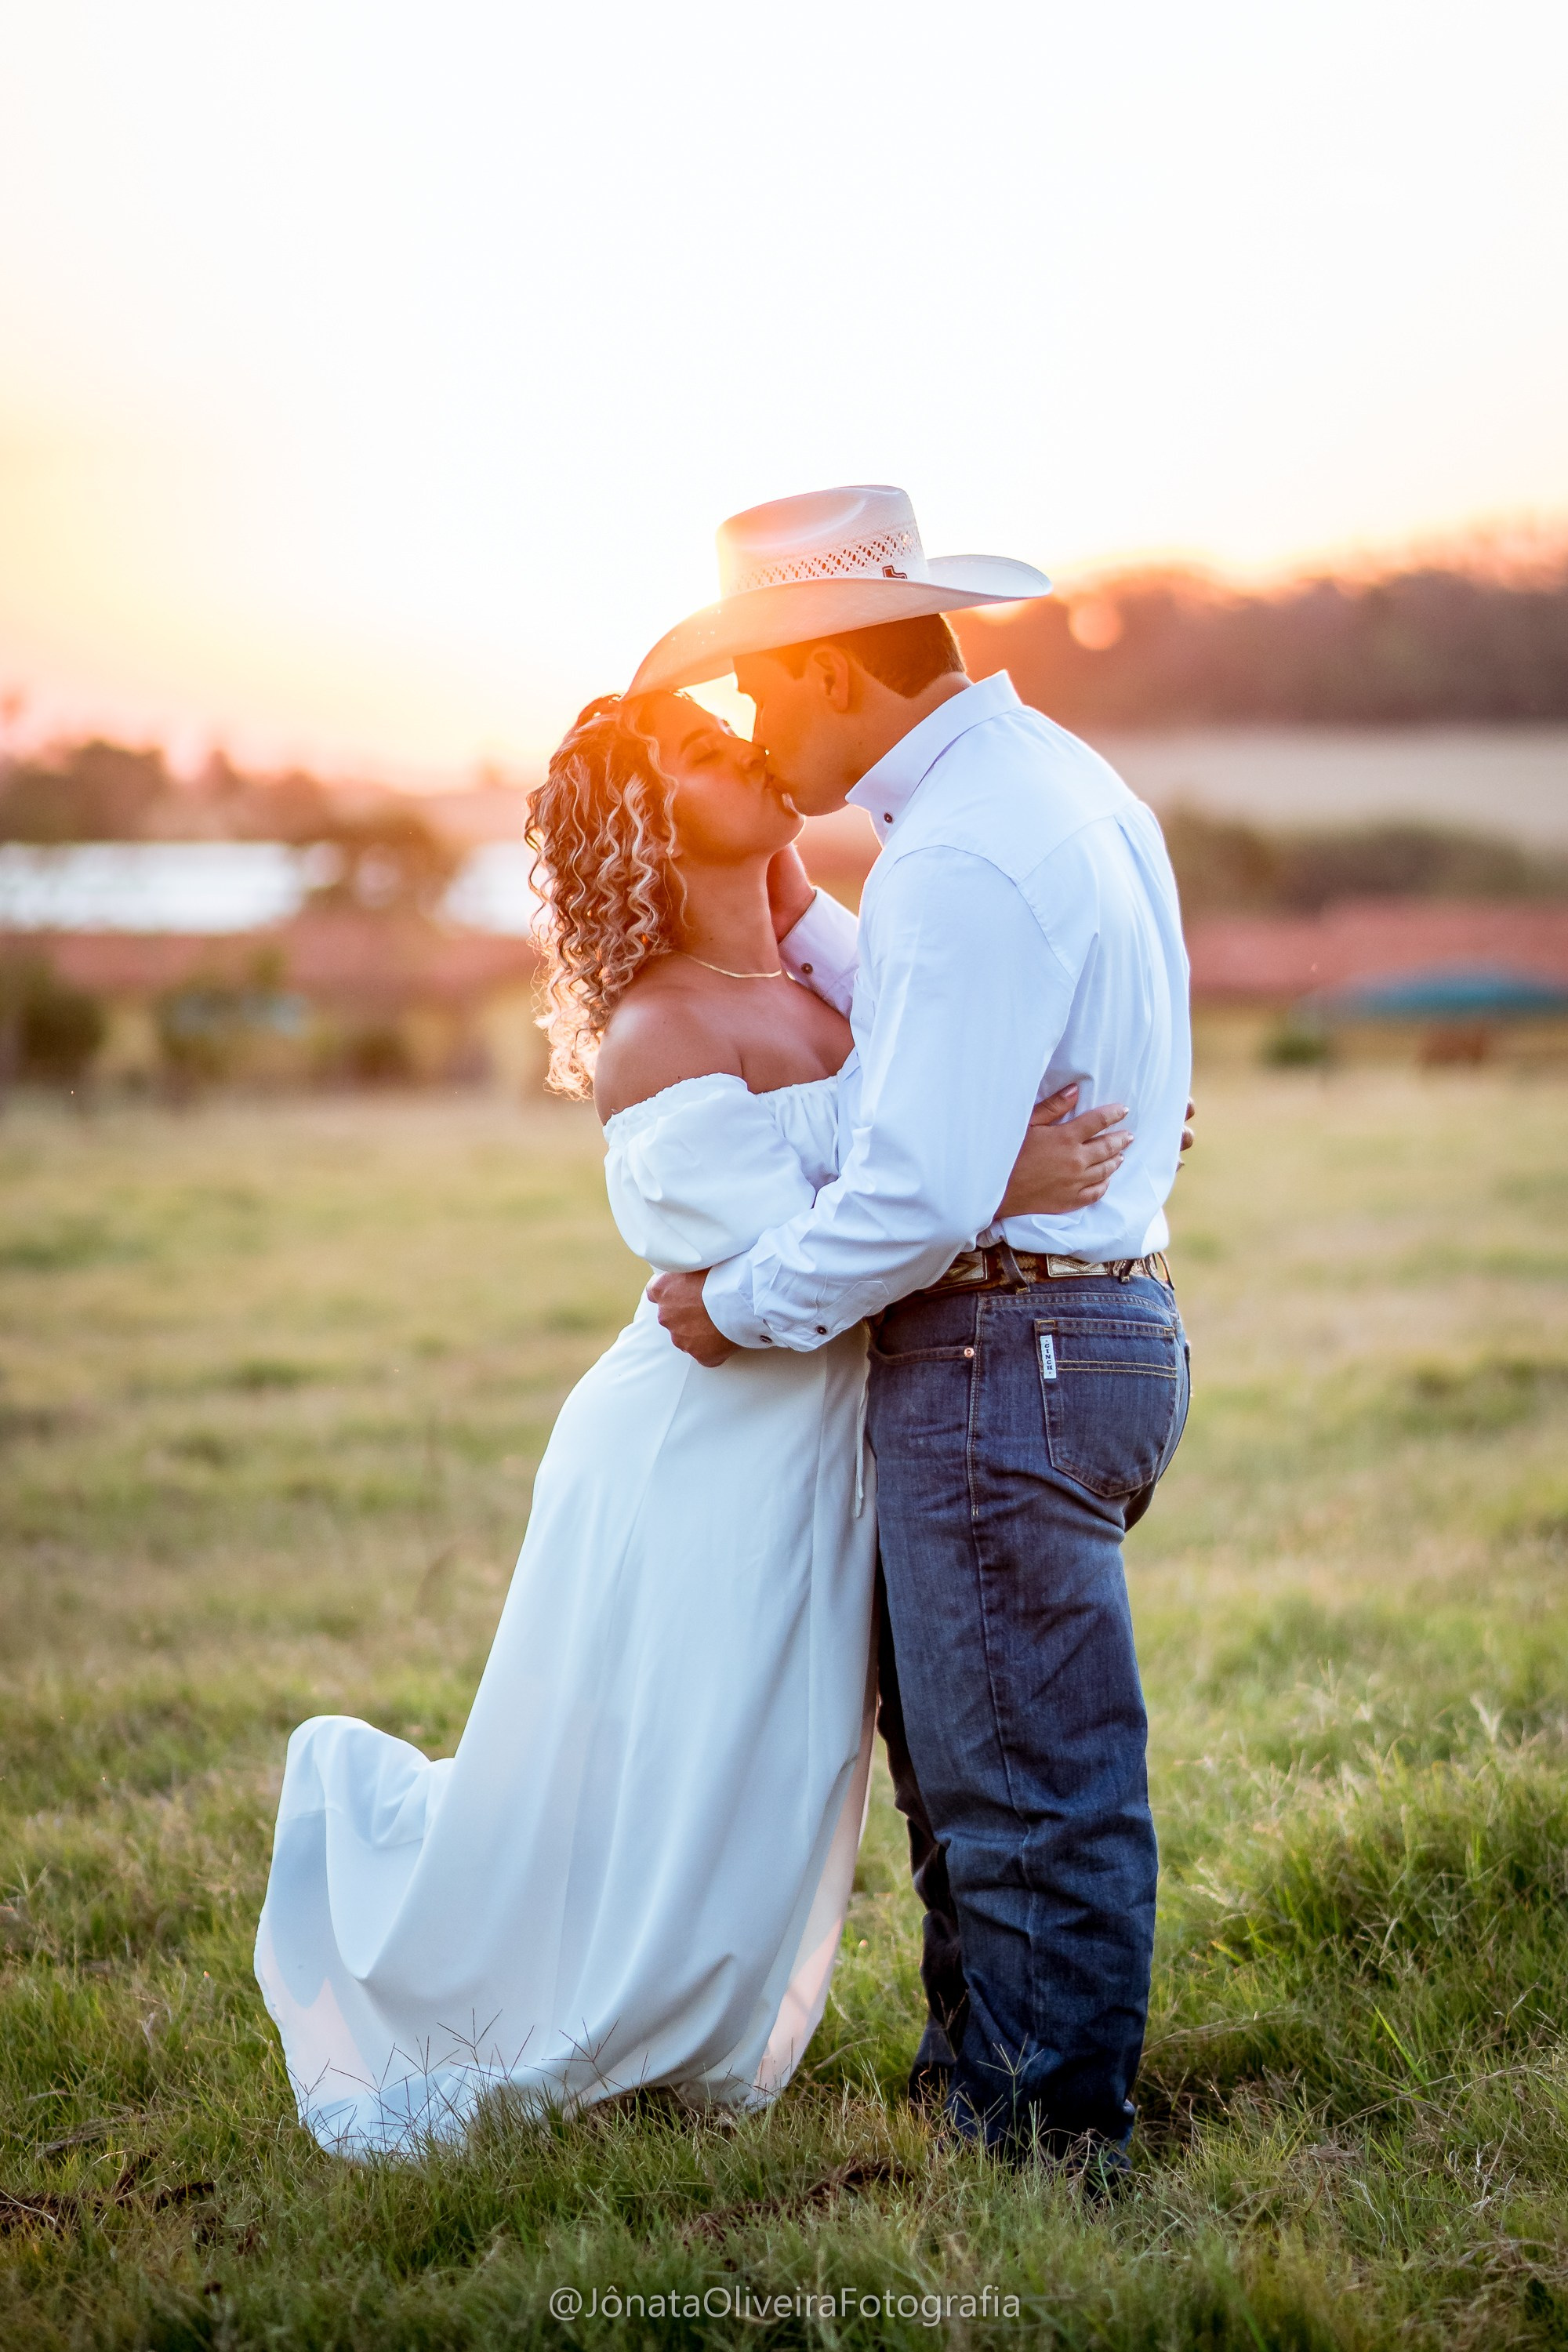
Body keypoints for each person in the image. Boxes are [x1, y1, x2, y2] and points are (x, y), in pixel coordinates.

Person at [252, 681, 1128, 2154]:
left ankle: (790, 2030)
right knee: (690, 1753)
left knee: (776, 1766)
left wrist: (1076, 1113)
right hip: (696, 1445)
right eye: (700, 749)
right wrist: (1004, 1183)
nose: (746, 742)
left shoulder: (825, 979)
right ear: (648, 821)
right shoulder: (656, 1032)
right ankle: (571, 2002)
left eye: (738, 724)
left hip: (818, 1443)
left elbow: (957, 1077)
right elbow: (817, 1253)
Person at [640, 485, 1193, 2173]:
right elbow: (960, 1041)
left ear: (821, 670)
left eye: (754, 685)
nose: (747, 722)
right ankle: (982, 2084)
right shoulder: (1061, 790)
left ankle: (1042, 2140)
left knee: (1021, 1779)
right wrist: (801, 913)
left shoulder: (959, 854)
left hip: (995, 1354)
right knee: (982, 1762)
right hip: (1086, 1332)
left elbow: (910, 1196)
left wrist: (733, 1309)